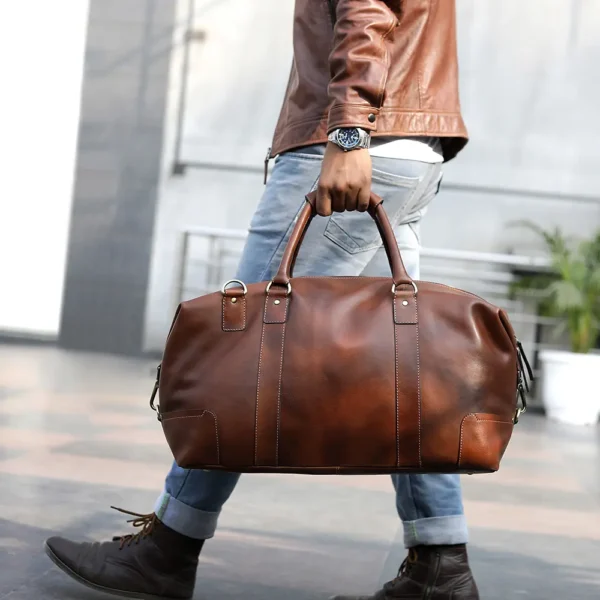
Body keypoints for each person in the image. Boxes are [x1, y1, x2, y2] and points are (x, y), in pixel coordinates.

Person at [44, 1, 478, 599]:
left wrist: (348, 129)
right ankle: (440, 561)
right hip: (412, 143)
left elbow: (366, 8)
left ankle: (169, 548)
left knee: (242, 349)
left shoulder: (353, 132)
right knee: (405, 369)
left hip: (361, 143)